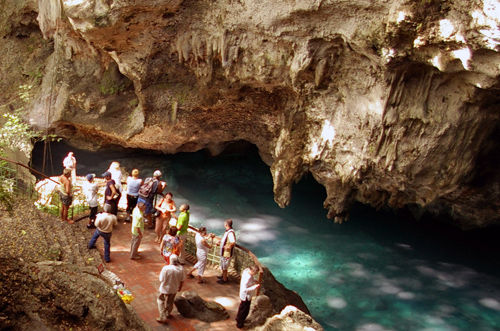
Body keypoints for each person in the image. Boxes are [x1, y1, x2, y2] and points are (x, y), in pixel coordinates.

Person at [156, 254, 185, 324]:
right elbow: (182, 280)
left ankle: (162, 316)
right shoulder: (181, 269)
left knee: (160, 300)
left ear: (170, 261)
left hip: (164, 288)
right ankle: (168, 313)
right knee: (170, 301)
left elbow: (161, 279)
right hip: (174, 289)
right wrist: (180, 287)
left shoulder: (166, 268)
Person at [216, 219, 236, 284]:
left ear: (226, 224)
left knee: (225, 266)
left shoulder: (230, 233)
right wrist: (219, 241)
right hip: (224, 252)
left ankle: (225, 279)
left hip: (226, 253)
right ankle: (223, 276)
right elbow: (224, 239)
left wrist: (228, 247)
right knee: (222, 265)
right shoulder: (227, 232)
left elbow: (233, 242)